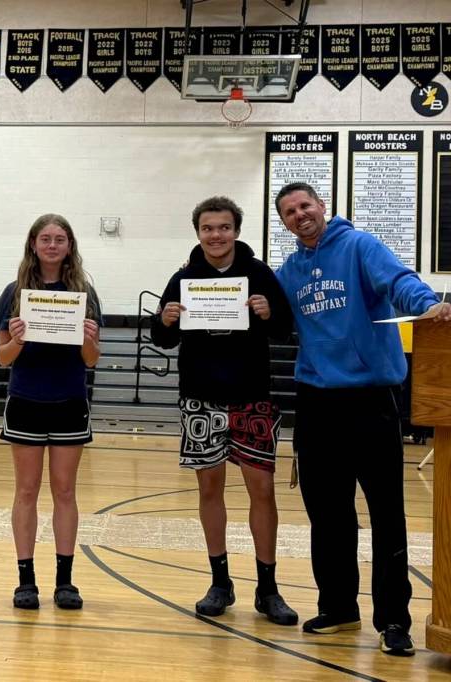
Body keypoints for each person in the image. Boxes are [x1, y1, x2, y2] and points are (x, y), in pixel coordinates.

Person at [274, 181, 451, 656]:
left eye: (305, 205)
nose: (299, 215)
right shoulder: (288, 272)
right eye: (289, 212)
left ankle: (394, 620)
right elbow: (267, 315)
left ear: (322, 206)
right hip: (315, 403)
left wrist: (427, 305)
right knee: (327, 515)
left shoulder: (359, 245)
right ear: (285, 222)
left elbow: (400, 283)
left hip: (370, 399)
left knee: (386, 515)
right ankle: (338, 607)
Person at [150, 196, 297, 625]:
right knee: (209, 491)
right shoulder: (183, 278)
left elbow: (285, 329)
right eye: (208, 228)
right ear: (198, 232)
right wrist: (167, 319)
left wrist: (269, 314)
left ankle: (267, 589)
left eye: (224, 227)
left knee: (262, 492)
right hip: (200, 398)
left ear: (236, 229)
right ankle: (220, 582)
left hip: (252, 396)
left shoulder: (259, 274)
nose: (216, 235)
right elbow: (161, 339)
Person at [0, 213, 102, 610]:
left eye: (60, 239)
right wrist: (19, 340)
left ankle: (65, 581)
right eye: (46, 239)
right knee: (25, 491)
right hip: (25, 401)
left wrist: (88, 339)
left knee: (65, 491)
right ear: (34, 245)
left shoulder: (85, 293)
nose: (53, 245)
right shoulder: (14, 292)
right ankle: (26, 580)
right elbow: (2, 358)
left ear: (69, 246)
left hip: (70, 402)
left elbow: (91, 360)